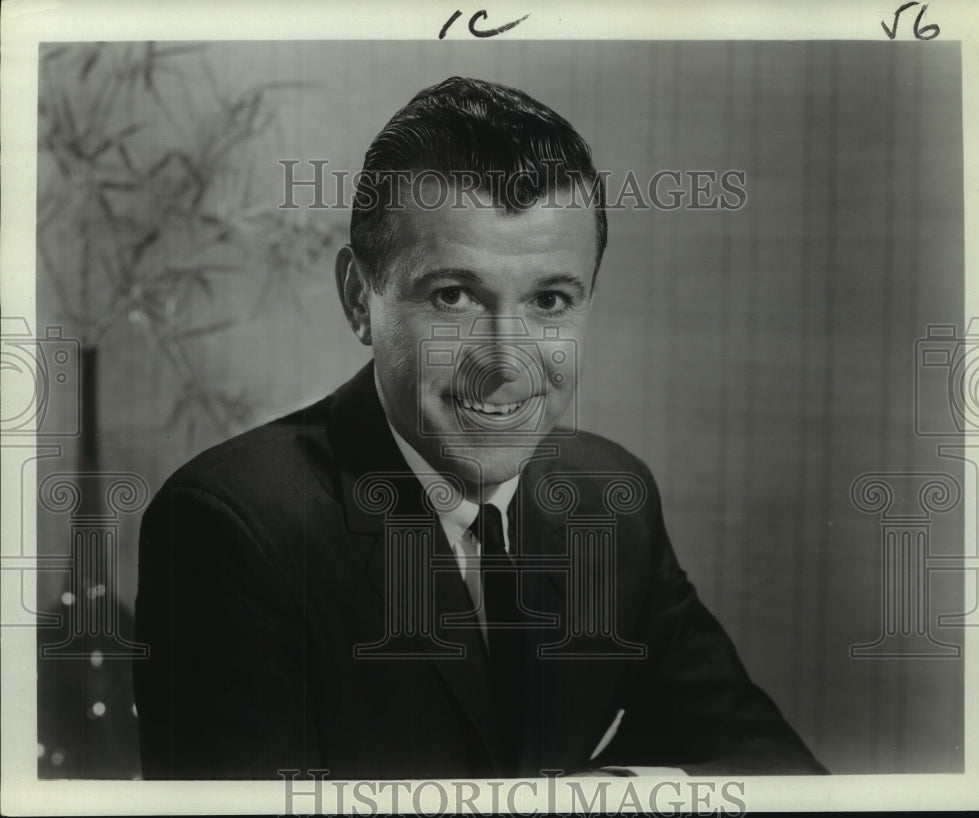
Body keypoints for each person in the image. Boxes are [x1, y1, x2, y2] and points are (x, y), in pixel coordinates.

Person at [133, 76, 826, 779]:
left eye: (550, 300)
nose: (506, 365)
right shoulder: (230, 531)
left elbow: (770, 771)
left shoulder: (612, 501)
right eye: (454, 296)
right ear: (359, 302)